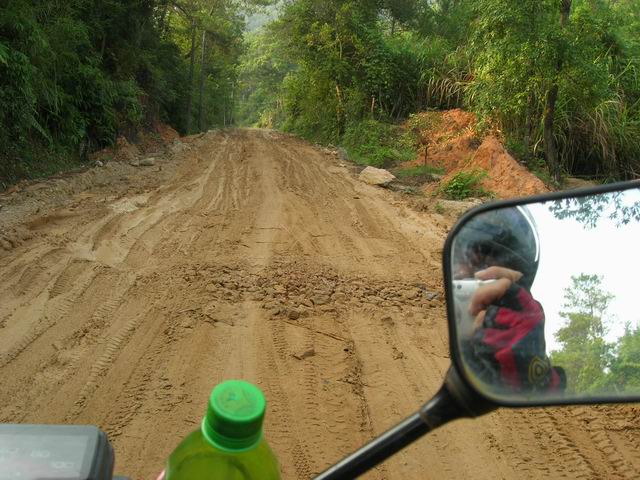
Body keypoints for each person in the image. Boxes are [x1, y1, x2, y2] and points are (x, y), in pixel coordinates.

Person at [453, 206, 566, 393]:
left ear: (516, 290)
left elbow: (553, 395)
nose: (463, 275)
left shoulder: (521, 331)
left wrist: (532, 371)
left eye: (484, 273)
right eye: (459, 261)